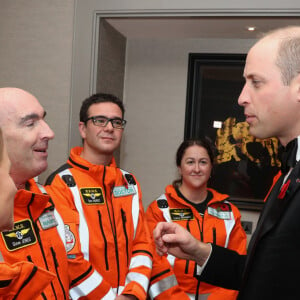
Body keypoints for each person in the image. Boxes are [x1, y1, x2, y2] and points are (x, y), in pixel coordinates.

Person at [154, 26, 300, 300]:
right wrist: (199, 250)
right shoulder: (287, 172)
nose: (242, 97)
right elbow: (266, 275)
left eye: (256, 82)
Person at [0, 87, 111, 299]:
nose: (49, 133)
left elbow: (72, 265)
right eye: (30, 123)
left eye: (43, 120)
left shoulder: (48, 199)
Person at [45, 93, 153, 300]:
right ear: (83, 129)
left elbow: (142, 244)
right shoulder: (61, 183)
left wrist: (133, 293)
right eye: (100, 120)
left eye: (117, 122)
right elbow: (68, 256)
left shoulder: (129, 182)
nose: (110, 127)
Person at [146, 138, 247, 300]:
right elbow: (154, 263)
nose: (197, 169)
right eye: (190, 162)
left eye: (203, 162)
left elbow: (239, 262)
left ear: (211, 167)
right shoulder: (159, 209)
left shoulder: (230, 212)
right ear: (180, 167)